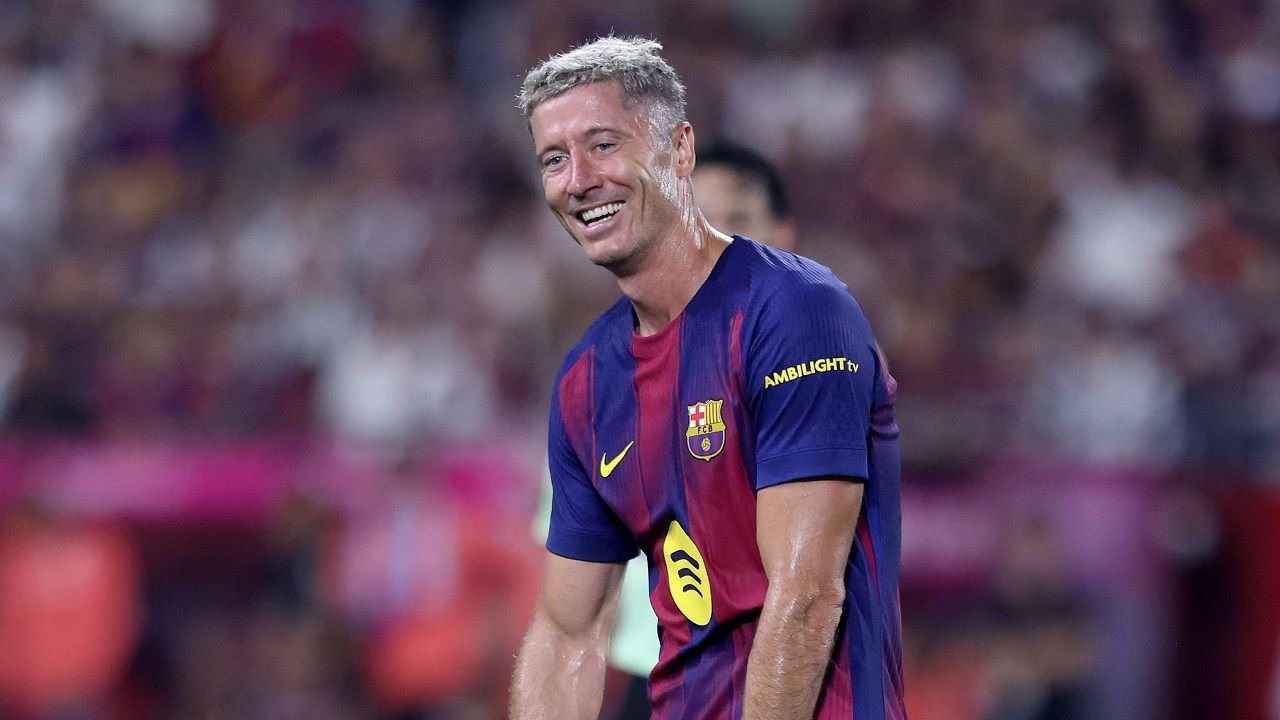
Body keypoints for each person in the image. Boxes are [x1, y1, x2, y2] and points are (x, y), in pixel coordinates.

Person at [511, 36, 905, 720]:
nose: (578, 180)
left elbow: (806, 597)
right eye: (554, 158)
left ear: (680, 150)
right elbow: (567, 634)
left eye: (603, 145)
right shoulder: (586, 382)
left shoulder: (795, 313)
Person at [602, 139, 804, 720]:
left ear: (783, 235)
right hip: (656, 675)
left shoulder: (825, 364)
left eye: (739, 220)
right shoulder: (604, 381)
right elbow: (579, 585)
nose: (721, 244)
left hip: (788, 677)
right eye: (701, 221)